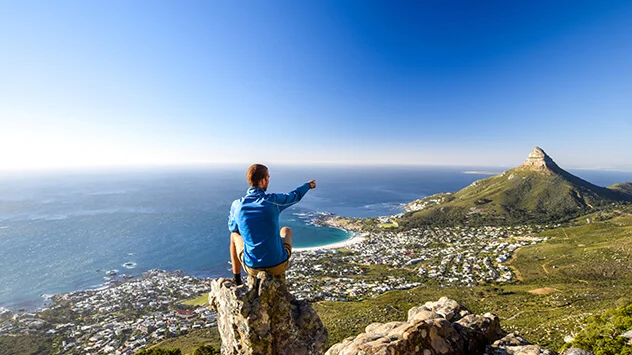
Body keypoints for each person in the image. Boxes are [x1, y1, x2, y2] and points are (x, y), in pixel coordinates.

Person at [228, 164, 316, 285]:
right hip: (278, 265)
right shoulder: (272, 201)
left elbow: (233, 228)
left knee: (233, 235)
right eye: (268, 178)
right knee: (286, 230)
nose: (268, 181)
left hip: (252, 267)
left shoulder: (237, 206)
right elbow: (294, 196)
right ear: (263, 180)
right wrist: (308, 185)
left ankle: (237, 280)